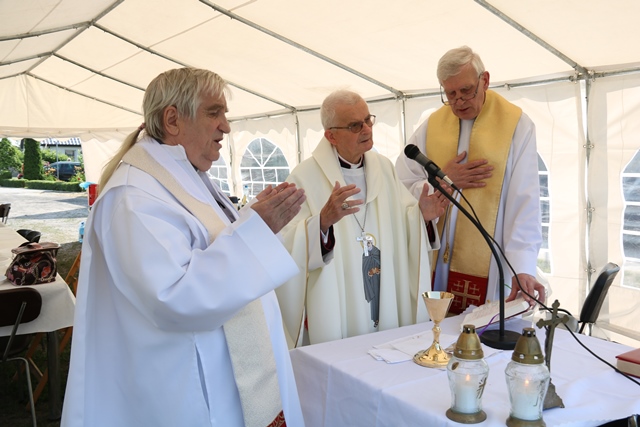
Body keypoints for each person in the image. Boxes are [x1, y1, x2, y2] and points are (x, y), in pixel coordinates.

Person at [61, 68, 307, 427]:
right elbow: (174, 297)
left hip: (227, 375)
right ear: (173, 120)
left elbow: (215, 244)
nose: (226, 127)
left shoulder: (188, 176)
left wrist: (256, 222)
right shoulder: (133, 197)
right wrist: (257, 231)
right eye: (214, 113)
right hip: (183, 388)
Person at [276, 89, 448, 347]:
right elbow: (287, 243)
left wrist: (421, 217)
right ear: (331, 135)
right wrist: (322, 223)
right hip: (340, 296)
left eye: (368, 120)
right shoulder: (304, 177)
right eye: (355, 125)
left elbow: (402, 224)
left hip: (384, 279)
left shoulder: (384, 167)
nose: (367, 129)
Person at [395, 46, 546, 315]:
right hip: (437, 259)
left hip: (490, 263)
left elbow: (525, 202)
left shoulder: (517, 126)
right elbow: (402, 185)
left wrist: (522, 267)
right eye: (450, 94)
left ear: (484, 80)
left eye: (466, 91)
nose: (458, 101)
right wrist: (444, 181)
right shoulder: (431, 126)